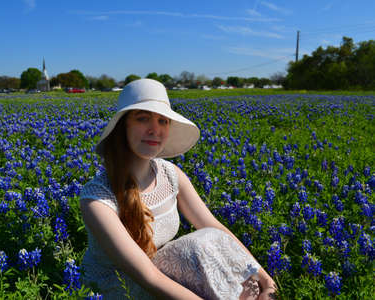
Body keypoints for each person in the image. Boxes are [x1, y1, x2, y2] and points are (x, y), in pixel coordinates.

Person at [79, 79, 277, 299]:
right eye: (143, 118)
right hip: (121, 289)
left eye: (162, 121)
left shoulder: (170, 174)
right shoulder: (97, 199)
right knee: (193, 249)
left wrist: (264, 276)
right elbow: (149, 277)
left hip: (164, 274)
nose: (155, 129)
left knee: (208, 239)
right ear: (122, 127)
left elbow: (214, 228)